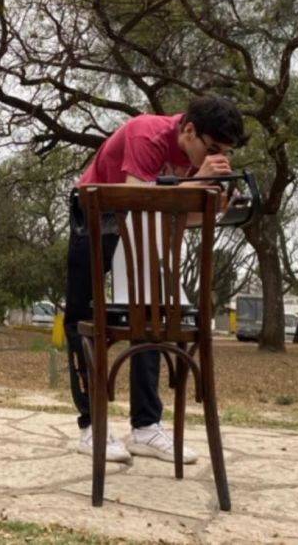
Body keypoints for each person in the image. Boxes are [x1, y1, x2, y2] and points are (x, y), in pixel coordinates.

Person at [65, 95, 246, 463]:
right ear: (189, 130)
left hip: (146, 221)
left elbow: (180, 218)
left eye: (224, 152)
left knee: (148, 316)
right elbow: (138, 197)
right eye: (211, 149)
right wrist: (200, 182)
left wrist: (221, 207)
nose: (215, 158)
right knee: (83, 320)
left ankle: (146, 427)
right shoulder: (146, 132)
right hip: (97, 215)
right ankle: (92, 425)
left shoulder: (200, 161)